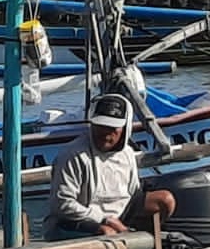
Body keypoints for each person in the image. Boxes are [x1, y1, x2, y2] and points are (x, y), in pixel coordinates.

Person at [43, 93, 175, 240]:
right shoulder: (72, 155)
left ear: (125, 129)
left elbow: (133, 194)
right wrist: (105, 219)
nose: (106, 133)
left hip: (120, 213)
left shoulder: (128, 153)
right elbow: (62, 205)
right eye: (101, 126)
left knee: (165, 200)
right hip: (75, 221)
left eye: (113, 128)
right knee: (107, 233)